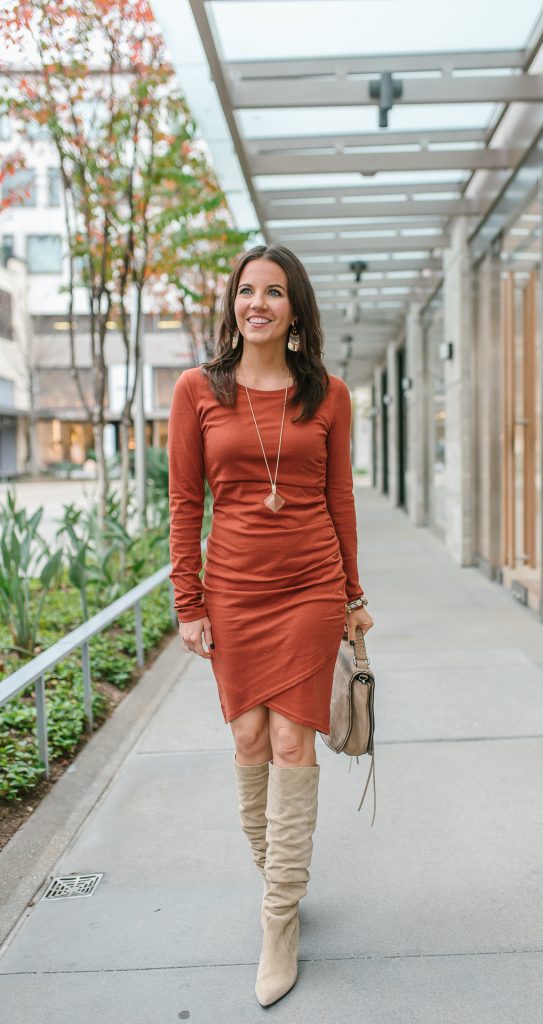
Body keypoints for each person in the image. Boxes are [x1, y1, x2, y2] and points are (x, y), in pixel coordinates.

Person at [167, 243, 374, 1007]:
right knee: (248, 739)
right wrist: (188, 603)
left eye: (275, 292)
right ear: (233, 304)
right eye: (247, 290)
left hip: (310, 589)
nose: (258, 302)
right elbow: (186, 503)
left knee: (292, 739)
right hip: (233, 592)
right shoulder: (197, 391)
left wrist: (353, 595)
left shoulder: (328, 395)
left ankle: (278, 919)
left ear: (295, 310)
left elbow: (341, 499)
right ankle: (278, 876)